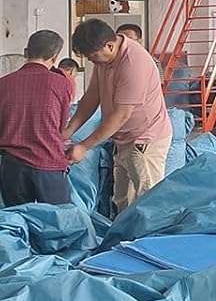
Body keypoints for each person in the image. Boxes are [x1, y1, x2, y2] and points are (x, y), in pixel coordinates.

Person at [66, 18, 172, 210]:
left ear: (109, 45)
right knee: (122, 200)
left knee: (147, 201)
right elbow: (91, 97)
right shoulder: (104, 60)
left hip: (144, 140)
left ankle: (151, 231)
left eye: (93, 56)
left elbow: (121, 115)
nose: (91, 60)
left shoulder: (133, 63)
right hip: (122, 140)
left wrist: (83, 147)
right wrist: (68, 131)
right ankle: (125, 229)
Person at [0, 30, 74, 206]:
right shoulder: (61, 83)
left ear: (26, 52)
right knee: (56, 218)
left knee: (18, 217)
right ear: (55, 56)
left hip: (13, 166)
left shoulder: (3, 83)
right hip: (49, 163)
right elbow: (61, 126)